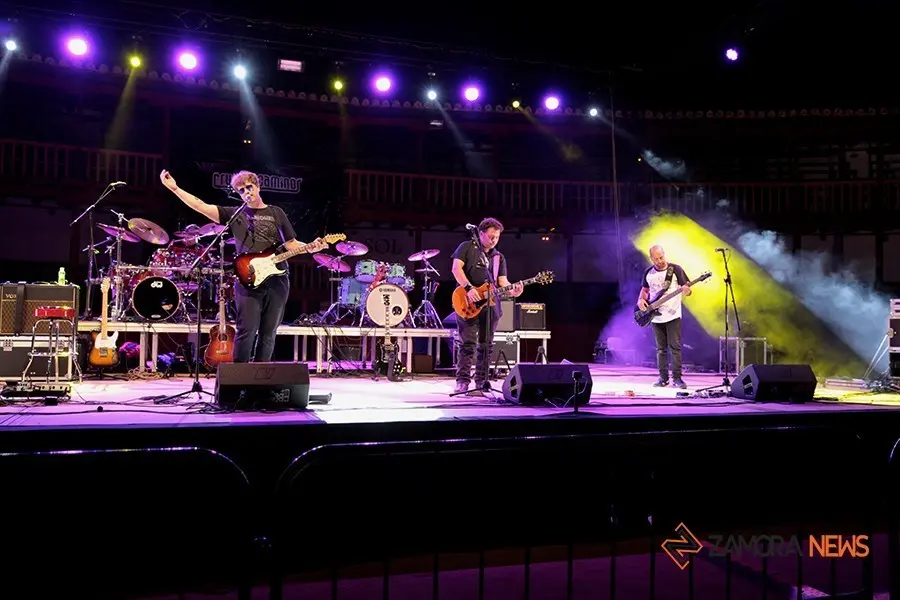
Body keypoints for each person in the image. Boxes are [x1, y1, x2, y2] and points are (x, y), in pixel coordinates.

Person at [159, 169, 327, 363]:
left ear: (258, 186)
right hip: (248, 278)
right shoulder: (235, 214)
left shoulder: (276, 212)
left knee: (269, 332)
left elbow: (291, 244)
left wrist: (311, 247)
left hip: (277, 278)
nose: (247, 192)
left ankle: (262, 374)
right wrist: (175, 189)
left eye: (249, 187)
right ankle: (239, 375)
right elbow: (201, 206)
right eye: (241, 190)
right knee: (246, 329)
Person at [450, 218, 524, 395]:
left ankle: (482, 381)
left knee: (487, 345)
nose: (494, 240)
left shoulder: (498, 257)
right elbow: (456, 269)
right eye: (491, 236)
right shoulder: (466, 247)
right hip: (467, 301)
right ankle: (462, 381)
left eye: (497, 237)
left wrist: (514, 290)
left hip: (490, 305)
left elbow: (502, 281)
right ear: (481, 233)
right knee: (467, 344)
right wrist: (468, 288)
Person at [637, 245, 693, 389]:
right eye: (655, 259)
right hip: (655, 316)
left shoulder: (675, 269)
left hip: (673, 314)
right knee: (661, 349)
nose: (659, 261)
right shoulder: (648, 272)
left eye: (661, 257)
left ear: (664, 254)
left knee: (675, 348)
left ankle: (677, 379)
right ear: (651, 258)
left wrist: (687, 291)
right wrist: (640, 300)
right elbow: (645, 290)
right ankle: (663, 379)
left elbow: (687, 289)